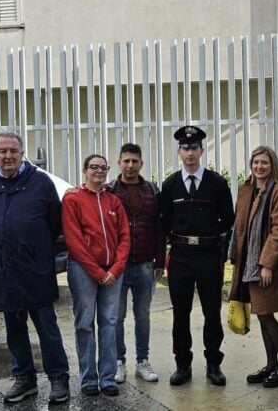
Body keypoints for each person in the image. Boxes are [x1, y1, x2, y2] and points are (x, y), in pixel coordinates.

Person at [0, 131, 71, 405]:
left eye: (13, 151)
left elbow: (55, 224)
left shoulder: (41, 183)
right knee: (14, 331)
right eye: (2, 151)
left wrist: (35, 252)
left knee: (47, 329)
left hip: (36, 271)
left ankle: (58, 378)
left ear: (21, 153)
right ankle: (25, 379)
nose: (8, 156)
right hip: (4, 272)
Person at [158, 125, 234, 387]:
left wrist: (216, 246)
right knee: (181, 313)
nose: (190, 153)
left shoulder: (217, 183)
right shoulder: (170, 185)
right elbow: (163, 220)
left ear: (202, 150)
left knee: (212, 311)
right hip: (180, 257)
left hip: (209, 256)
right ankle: (183, 364)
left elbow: (228, 220)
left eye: (194, 148)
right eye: (185, 148)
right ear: (179, 152)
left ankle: (214, 363)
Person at [62, 154, 130, 396]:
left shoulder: (114, 202)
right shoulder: (73, 199)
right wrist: (98, 273)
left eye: (103, 168)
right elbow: (74, 240)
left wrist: (116, 269)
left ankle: (108, 378)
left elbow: (124, 238)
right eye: (94, 167)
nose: (99, 172)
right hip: (83, 269)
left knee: (110, 323)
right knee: (84, 324)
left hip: (113, 271)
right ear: (84, 170)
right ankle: (88, 378)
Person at [229, 146, 278, 388]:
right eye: (256, 162)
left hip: (265, 266)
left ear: (272, 165)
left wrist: (266, 264)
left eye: (264, 163)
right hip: (247, 262)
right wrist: (234, 255)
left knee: (267, 315)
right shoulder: (246, 190)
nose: (259, 167)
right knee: (261, 315)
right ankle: (271, 365)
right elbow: (239, 225)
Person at [109, 143, 165, 384]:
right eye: (126, 161)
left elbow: (159, 228)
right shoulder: (109, 191)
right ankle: (119, 362)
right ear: (119, 163)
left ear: (141, 163)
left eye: (135, 161)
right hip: (118, 266)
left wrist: (160, 261)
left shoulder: (152, 191)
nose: (130, 165)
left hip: (144, 264)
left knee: (142, 315)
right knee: (117, 316)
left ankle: (143, 361)